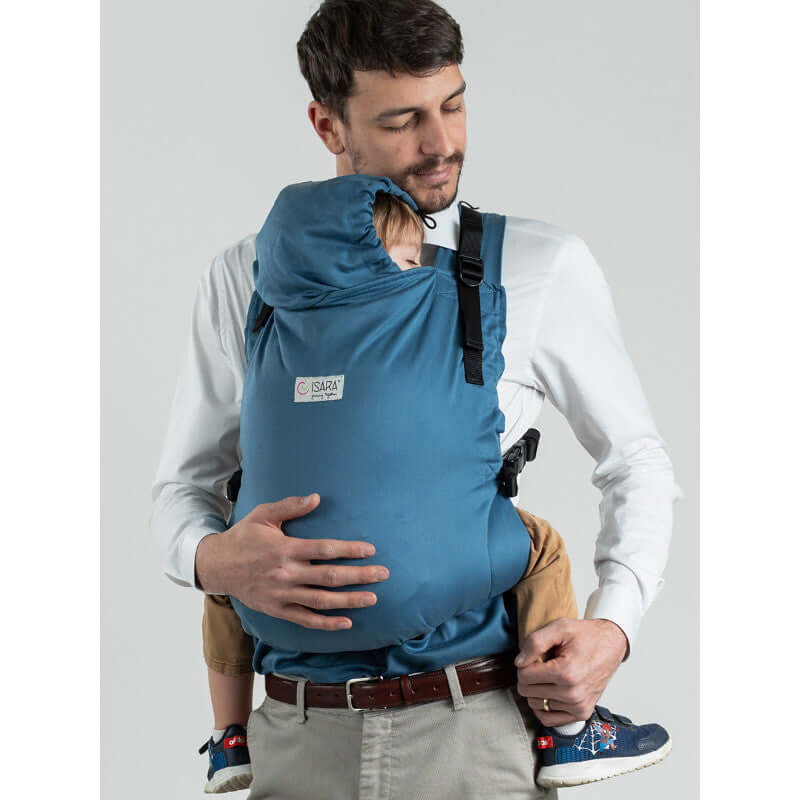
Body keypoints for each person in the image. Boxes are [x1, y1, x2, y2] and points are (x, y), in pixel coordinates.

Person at [150, 2, 683, 797]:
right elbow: (182, 487)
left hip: (476, 734)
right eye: (402, 121)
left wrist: (614, 627)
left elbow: (635, 459)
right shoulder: (246, 276)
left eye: (453, 105)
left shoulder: (535, 265)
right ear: (327, 125)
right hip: (296, 732)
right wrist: (209, 558)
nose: (441, 144)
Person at [195, 190, 672, 793]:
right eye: (405, 260)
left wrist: (213, 558)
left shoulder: (269, 310)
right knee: (541, 545)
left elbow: (635, 460)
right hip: (310, 724)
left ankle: (227, 737)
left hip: (418, 698)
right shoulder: (430, 308)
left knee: (226, 568)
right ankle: (568, 731)